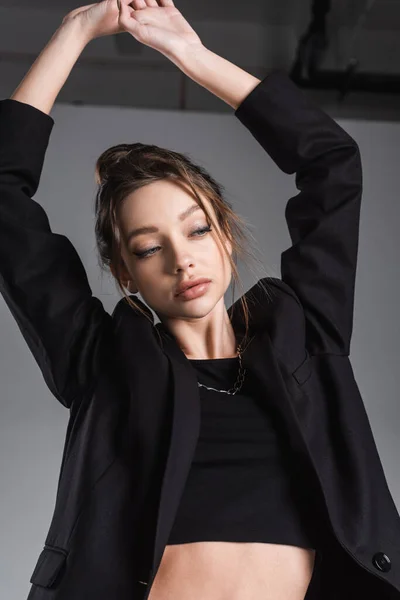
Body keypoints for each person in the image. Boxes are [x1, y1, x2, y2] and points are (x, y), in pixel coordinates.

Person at [1, 1, 399, 599]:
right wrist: (76, 29)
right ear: (125, 272)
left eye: (196, 229)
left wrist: (193, 56)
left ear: (225, 235)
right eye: (147, 247)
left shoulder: (304, 333)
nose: (181, 258)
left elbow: (332, 163)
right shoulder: (102, 363)